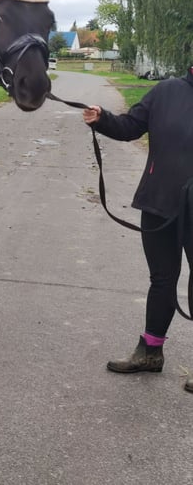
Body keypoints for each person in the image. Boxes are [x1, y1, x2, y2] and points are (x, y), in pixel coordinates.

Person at [83, 66, 193, 390]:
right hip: (159, 203)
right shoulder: (166, 91)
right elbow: (131, 126)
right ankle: (150, 352)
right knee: (162, 279)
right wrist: (101, 118)